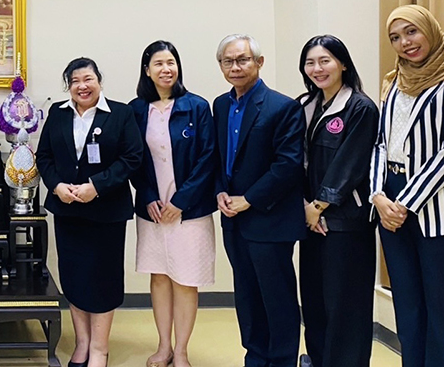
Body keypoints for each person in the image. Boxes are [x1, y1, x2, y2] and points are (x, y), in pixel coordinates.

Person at [37, 58, 143, 367]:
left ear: (99, 81)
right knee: (74, 278)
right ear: (68, 86)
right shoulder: (57, 114)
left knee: (103, 279)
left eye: (88, 79)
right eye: (75, 81)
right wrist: (56, 186)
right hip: (68, 210)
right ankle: (81, 344)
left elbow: (131, 158)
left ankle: (99, 349)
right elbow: (44, 156)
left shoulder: (121, 114)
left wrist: (96, 186)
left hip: (106, 211)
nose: (82, 86)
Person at [212, 34, 305, 367]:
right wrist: (220, 191)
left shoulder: (283, 107)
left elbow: (288, 165)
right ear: (221, 65)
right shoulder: (221, 105)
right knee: (247, 296)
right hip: (233, 220)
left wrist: (248, 199)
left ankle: (281, 361)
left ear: (259, 63)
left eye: (243, 60)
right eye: (228, 61)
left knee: (277, 298)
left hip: (270, 219)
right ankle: (255, 356)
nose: (235, 67)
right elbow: (221, 158)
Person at [129, 41, 217, 367]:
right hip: (152, 210)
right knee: (159, 277)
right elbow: (133, 158)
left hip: (189, 211)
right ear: (147, 70)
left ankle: (181, 351)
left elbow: (208, 158)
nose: (166, 69)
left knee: (185, 279)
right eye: (159, 63)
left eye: (172, 62)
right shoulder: (137, 109)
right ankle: (163, 347)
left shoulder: (196, 106)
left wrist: (181, 201)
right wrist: (149, 195)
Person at [297, 35, 379, 367]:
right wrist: (306, 207)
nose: (318, 68)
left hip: (345, 223)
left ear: (343, 63)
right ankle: (318, 359)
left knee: (346, 304)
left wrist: (319, 205)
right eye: (310, 62)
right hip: (309, 220)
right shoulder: (306, 104)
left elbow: (351, 163)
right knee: (315, 301)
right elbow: (297, 161)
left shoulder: (360, 107)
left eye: (325, 60)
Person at [370, 5, 444, 367]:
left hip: (434, 206)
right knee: (407, 301)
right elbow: (381, 143)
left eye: (411, 32)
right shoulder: (393, 82)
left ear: (430, 30)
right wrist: (378, 196)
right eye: (395, 37)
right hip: (390, 201)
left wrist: (407, 202)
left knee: (438, 303)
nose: (405, 43)